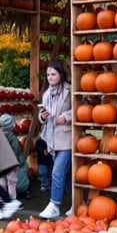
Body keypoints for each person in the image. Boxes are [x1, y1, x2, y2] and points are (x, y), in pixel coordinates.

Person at [38, 60, 73, 219]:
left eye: (53, 74)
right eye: (48, 75)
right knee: (65, 174)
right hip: (51, 139)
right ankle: (78, 203)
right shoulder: (46, 93)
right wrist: (43, 116)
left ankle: (54, 205)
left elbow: (79, 109)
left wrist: (66, 116)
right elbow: (41, 119)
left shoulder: (70, 90)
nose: (50, 77)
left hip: (66, 137)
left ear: (61, 74)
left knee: (57, 172)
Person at [0, 114, 30, 200]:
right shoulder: (13, 138)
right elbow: (15, 151)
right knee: (11, 182)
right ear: (12, 127)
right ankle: (12, 200)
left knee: (2, 182)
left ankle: (2, 199)